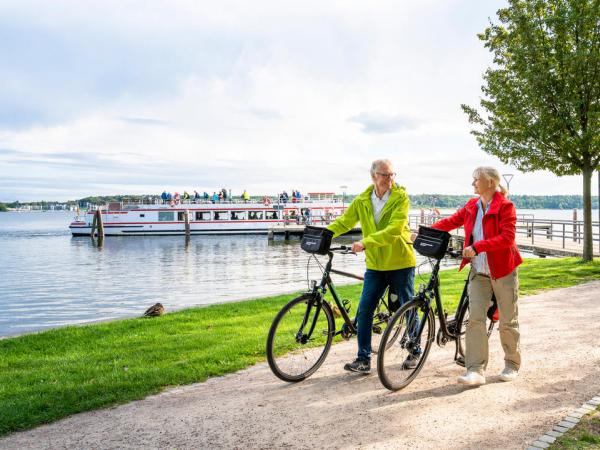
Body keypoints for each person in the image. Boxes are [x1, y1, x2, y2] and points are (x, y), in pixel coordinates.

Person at [429, 166, 522, 386]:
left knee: (508, 320)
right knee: (475, 320)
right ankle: (476, 370)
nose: (473, 184)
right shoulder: (472, 206)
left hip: (503, 270)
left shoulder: (505, 206)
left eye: (476, 180)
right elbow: (450, 222)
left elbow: (507, 238)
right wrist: (427, 231)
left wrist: (478, 246)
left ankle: (511, 364)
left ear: (490, 182)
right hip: (479, 271)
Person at [326, 159, 416, 374]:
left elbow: (395, 230)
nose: (390, 179)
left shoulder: (401, 198)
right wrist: (322, 233)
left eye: (393, 174)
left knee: (408, 306)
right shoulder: (363, 200)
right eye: (385, 175)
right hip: (375, 264)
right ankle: (363, 359)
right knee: (365, 309)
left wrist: (365, 243)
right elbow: (345, 222)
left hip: (400, 262)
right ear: (373, 176)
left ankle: (415, 349)